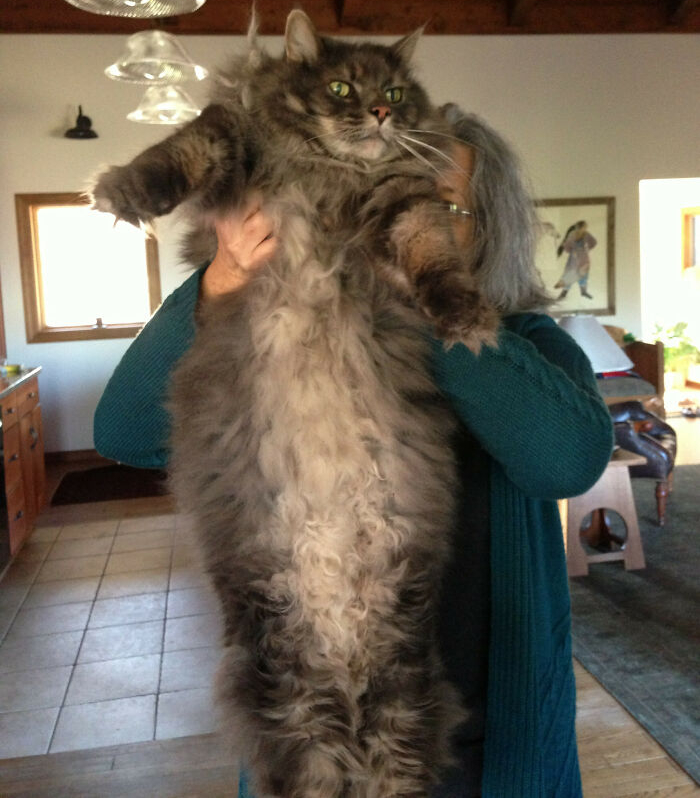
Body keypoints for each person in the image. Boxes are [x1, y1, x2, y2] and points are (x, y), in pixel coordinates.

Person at [94, 112, 614, 798]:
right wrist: (222, 282)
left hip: (482, 750)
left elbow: (567, 461)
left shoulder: (533, 346)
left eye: (429, 205)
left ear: (486, 227)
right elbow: (124, 429)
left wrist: (420, 302)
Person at [554, 220, 597, 301]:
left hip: (584, 259)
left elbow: (594, 242)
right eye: (584, 227)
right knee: (571, 275)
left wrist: (586, 249)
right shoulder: (572, 235)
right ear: (580, 227)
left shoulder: (587, 235)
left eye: (585, 227)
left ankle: (583, 291)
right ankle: (564, 293)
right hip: (574, 259)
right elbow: (567, 247)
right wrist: (573, 251)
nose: (585, 229)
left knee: (583, 275)